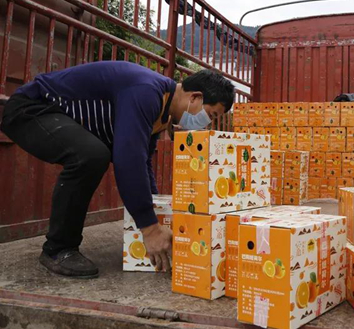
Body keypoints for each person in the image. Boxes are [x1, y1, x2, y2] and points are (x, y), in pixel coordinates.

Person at [0, 61, 235, 279]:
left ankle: (61, 245)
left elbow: (142, 162)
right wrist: (150, 229)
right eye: (210, 115)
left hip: (56, 117)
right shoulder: (147, 91)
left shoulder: (162, 112)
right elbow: (128, 159)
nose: (206, 123)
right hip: (32, 109)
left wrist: (156, 210)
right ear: (195, 97)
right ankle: (58, 249)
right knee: (91, 155)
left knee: (95, 153)